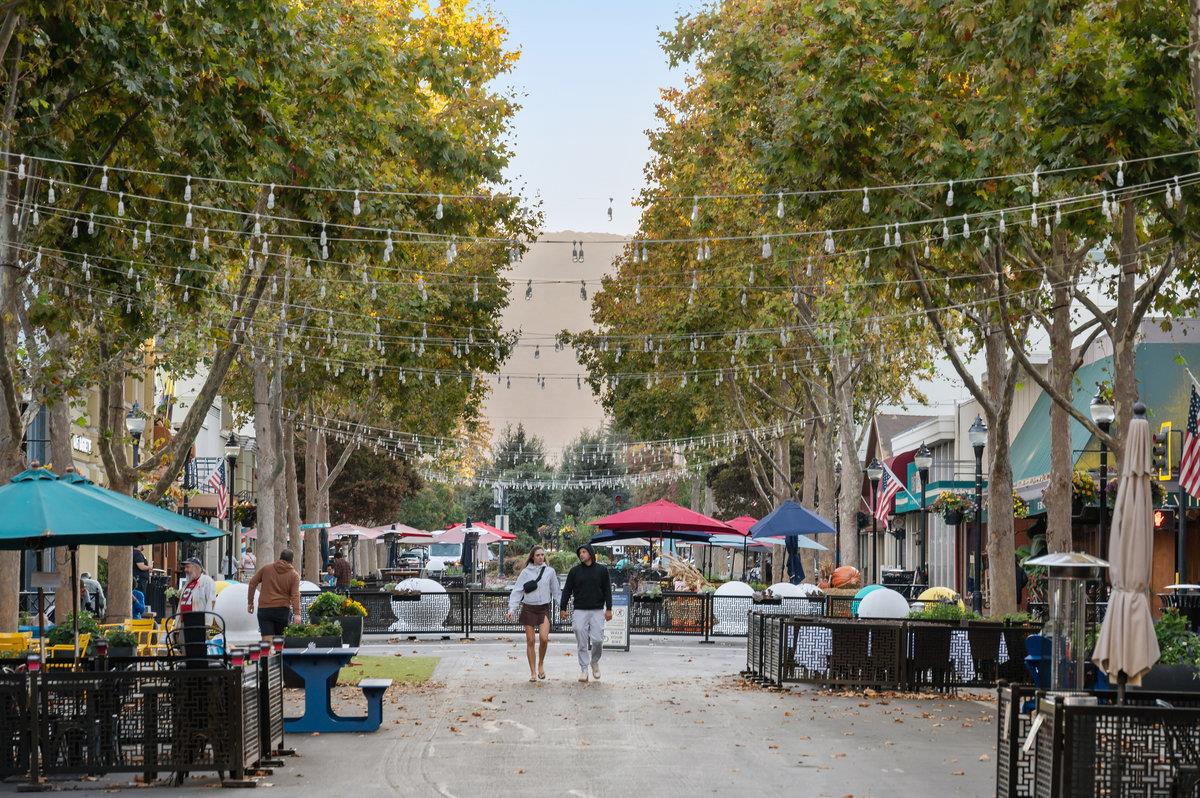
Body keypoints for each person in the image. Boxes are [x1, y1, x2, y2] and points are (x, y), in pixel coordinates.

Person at [506, 546, 560, 682]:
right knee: (530, 641)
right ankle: (533, 672)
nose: (541, 557)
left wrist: (562, 607)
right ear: (532, 557)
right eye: (538, 555)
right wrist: (511, 609)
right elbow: (517, 591)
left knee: (544, 638)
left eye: (542, 555)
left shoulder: (550, 571)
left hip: (543, 608)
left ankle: (541, 663)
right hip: (529, 608)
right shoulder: (525, 573)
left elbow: (556, 591)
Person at [559, 544, 612, 683]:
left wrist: (609, 608)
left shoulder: (602, 570)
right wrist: (562, 608)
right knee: (581, 640)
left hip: (597, 610)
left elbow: (607, 590)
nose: (581, 554)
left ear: (590, 553)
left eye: (584, 552)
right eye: (580, 552)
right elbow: (567, 590)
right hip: (580, 610)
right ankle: (584, 669)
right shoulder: (574, 571)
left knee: (598, 640)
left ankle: (594, 662)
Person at [247, 548, 301, 643]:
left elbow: (252, 583)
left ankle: (265, 656)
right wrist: (297, 613)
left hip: (265, 608)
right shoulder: (294, 575)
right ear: (292, 560)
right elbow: (295, 595)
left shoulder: (266, 569)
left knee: (266, 639)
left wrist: (250, 602)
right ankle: (279, 656)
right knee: (280, 641)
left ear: (280, 558)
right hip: (282, 609)